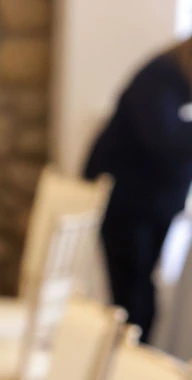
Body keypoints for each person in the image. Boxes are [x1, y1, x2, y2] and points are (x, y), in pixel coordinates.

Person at [85, 38, 192, 339]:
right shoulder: (160, 77)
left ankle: (135, 364)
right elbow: (162, 141)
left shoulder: (176, 82)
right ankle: (128, 368)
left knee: (141, 289)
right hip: (128, 203)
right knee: (132, 294)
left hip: (150, 204)